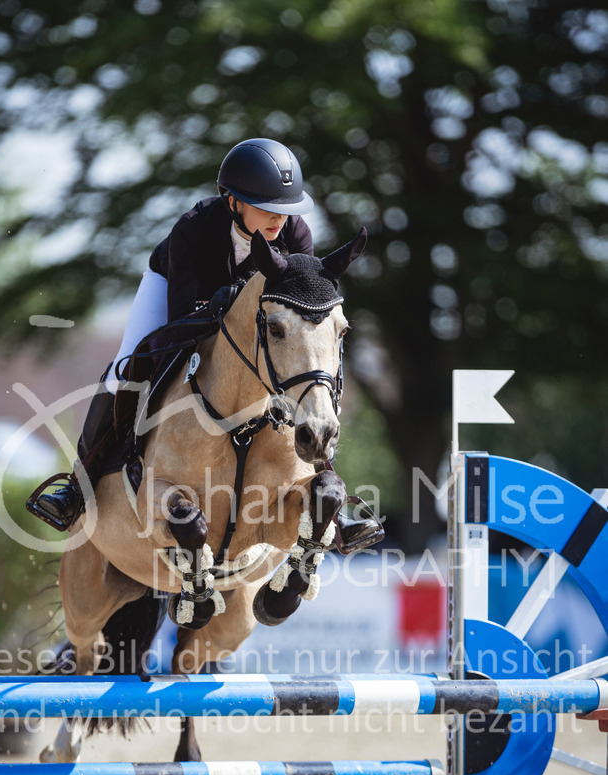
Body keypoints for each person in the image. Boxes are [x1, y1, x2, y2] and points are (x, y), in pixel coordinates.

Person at [27, 138, 383, 553]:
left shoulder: (295, 233)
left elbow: (300, 304)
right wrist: (226, 305)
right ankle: (77, 485)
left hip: (251, 326)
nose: (279, 219)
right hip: (175, 297)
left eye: (285, 209)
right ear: (232, 202)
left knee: (301, 384)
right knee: (127, 367)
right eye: (267, 207)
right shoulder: (193, 230)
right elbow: (179, 320)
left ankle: (333, 506)